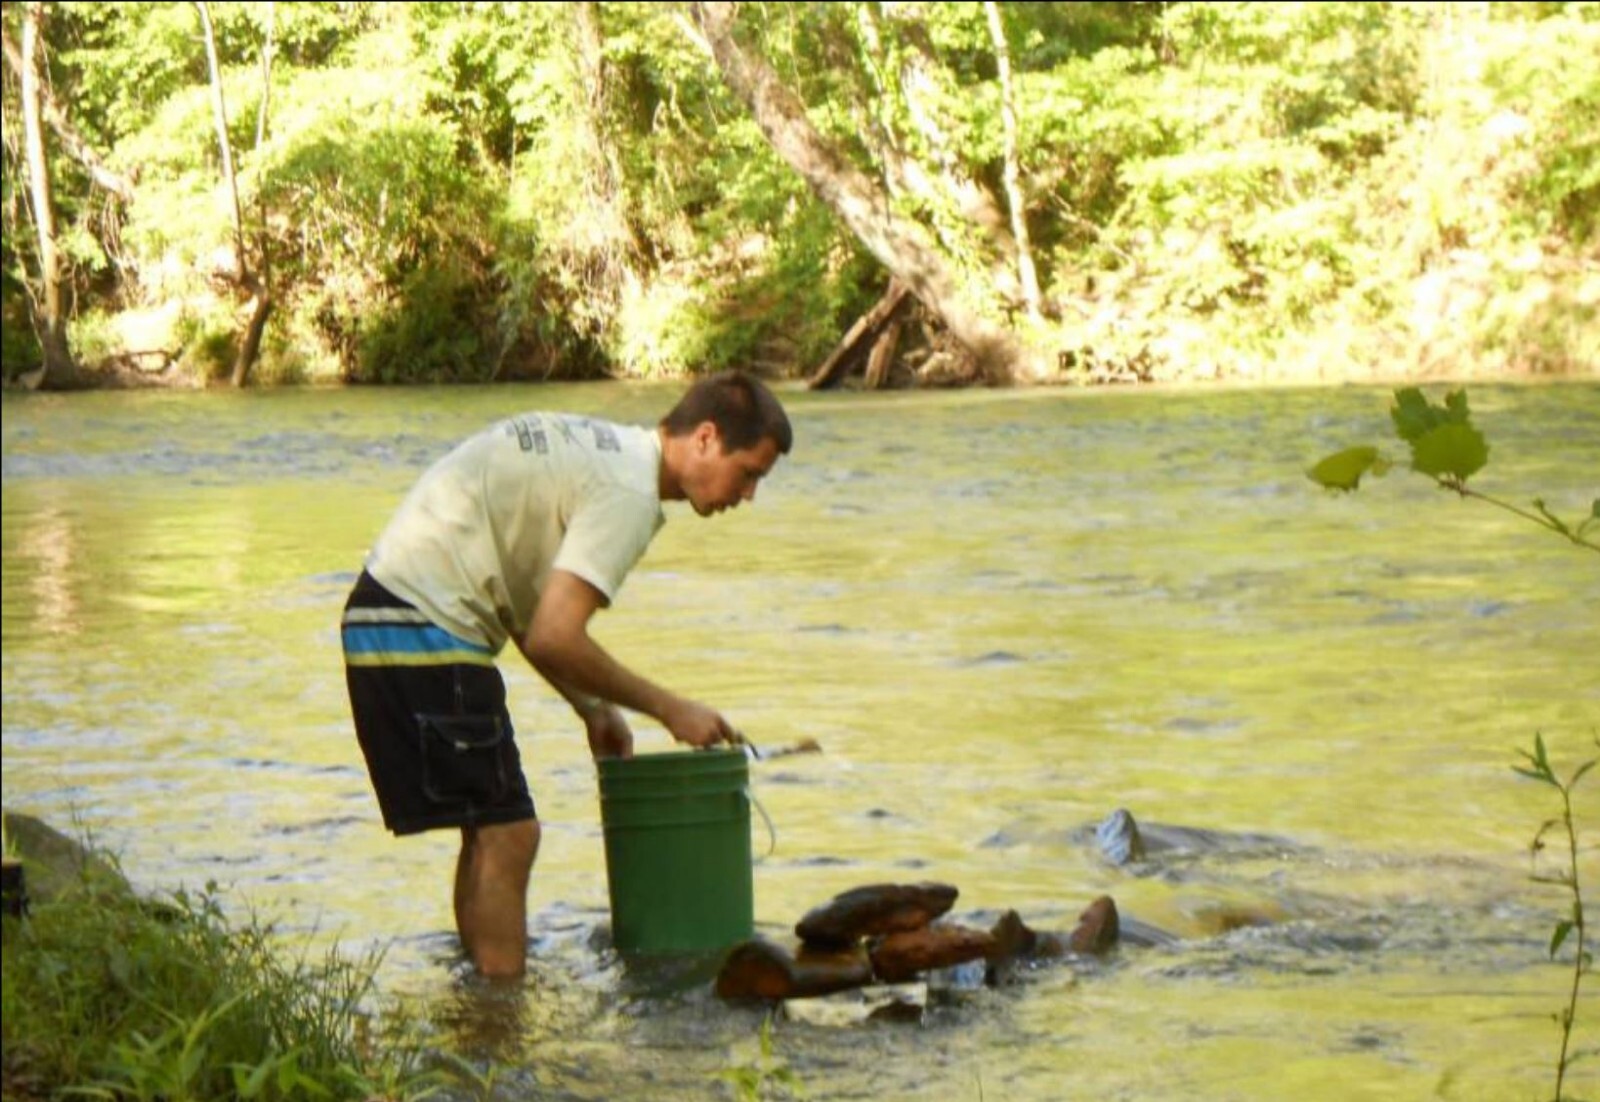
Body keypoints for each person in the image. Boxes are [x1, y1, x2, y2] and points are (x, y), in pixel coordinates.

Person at [340, 370, 793, 978]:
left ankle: (478, 1012)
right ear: (706, 438)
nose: (748, 496)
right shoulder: (628, 494)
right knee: (511, 835)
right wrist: (669, 708)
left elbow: (528, 610)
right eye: (751, 474)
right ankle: (503, 1030)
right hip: (421, 624)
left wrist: (595, 710)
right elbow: (556, 635)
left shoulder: (610, 456)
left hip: (390, 614)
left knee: (488, 828)